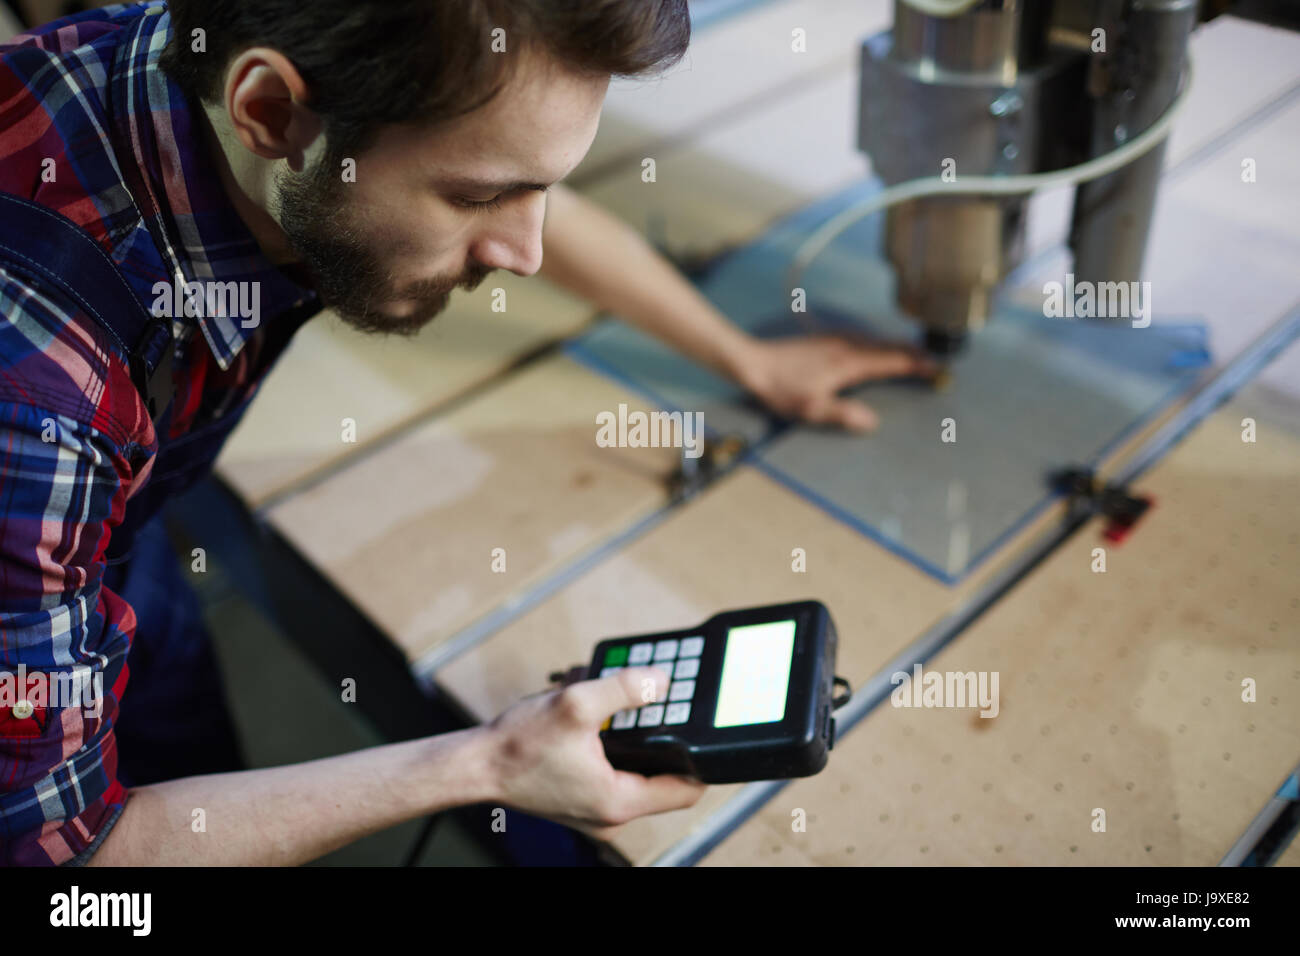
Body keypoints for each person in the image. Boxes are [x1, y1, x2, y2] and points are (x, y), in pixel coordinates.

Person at [0, 0, 932, 865]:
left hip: (109, 538)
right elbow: (71, 860)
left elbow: (497, 157)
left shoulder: (207, 71)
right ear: (272, 112)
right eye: (480, 201)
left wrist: (746, 359)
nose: (525, 254)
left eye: (537, 189)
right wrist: (487, 765)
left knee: (166, 704)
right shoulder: (39, 412)